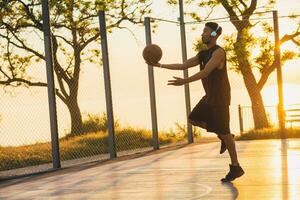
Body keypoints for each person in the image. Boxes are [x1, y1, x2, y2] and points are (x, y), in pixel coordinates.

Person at [146, 22, 244, 182]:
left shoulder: (219, 53)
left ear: (214, 35)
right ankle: (224, 135)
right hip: (209, 96)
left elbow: (206, 72)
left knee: (225, 133)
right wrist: (159, 65)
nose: (202, 34)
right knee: (193, 119)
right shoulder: (202, 55)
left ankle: (235, 167)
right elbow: (183, 65)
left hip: (220, 97)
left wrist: (184, 81)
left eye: (205, 31)